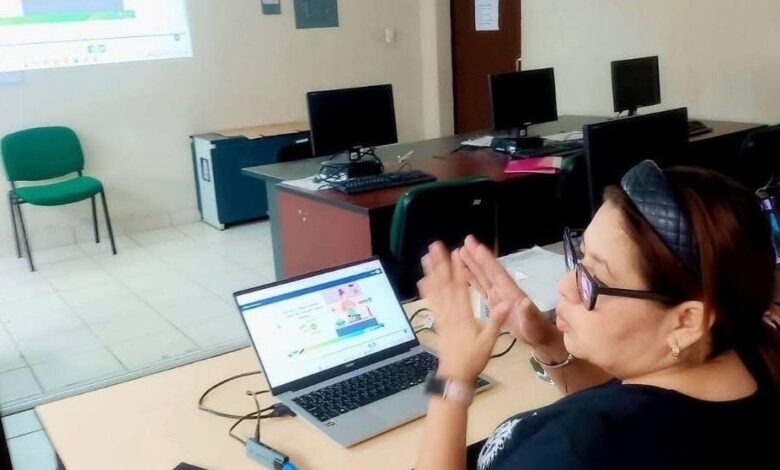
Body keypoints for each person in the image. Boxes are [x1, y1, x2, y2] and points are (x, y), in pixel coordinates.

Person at [415, 161, 780, 470]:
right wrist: (547, 342)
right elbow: (628, 408)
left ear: (686, 322)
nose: (564, 286)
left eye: (594, 279)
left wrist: (452, 376)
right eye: (580, 257)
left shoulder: (579, 447)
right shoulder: (750, 354)